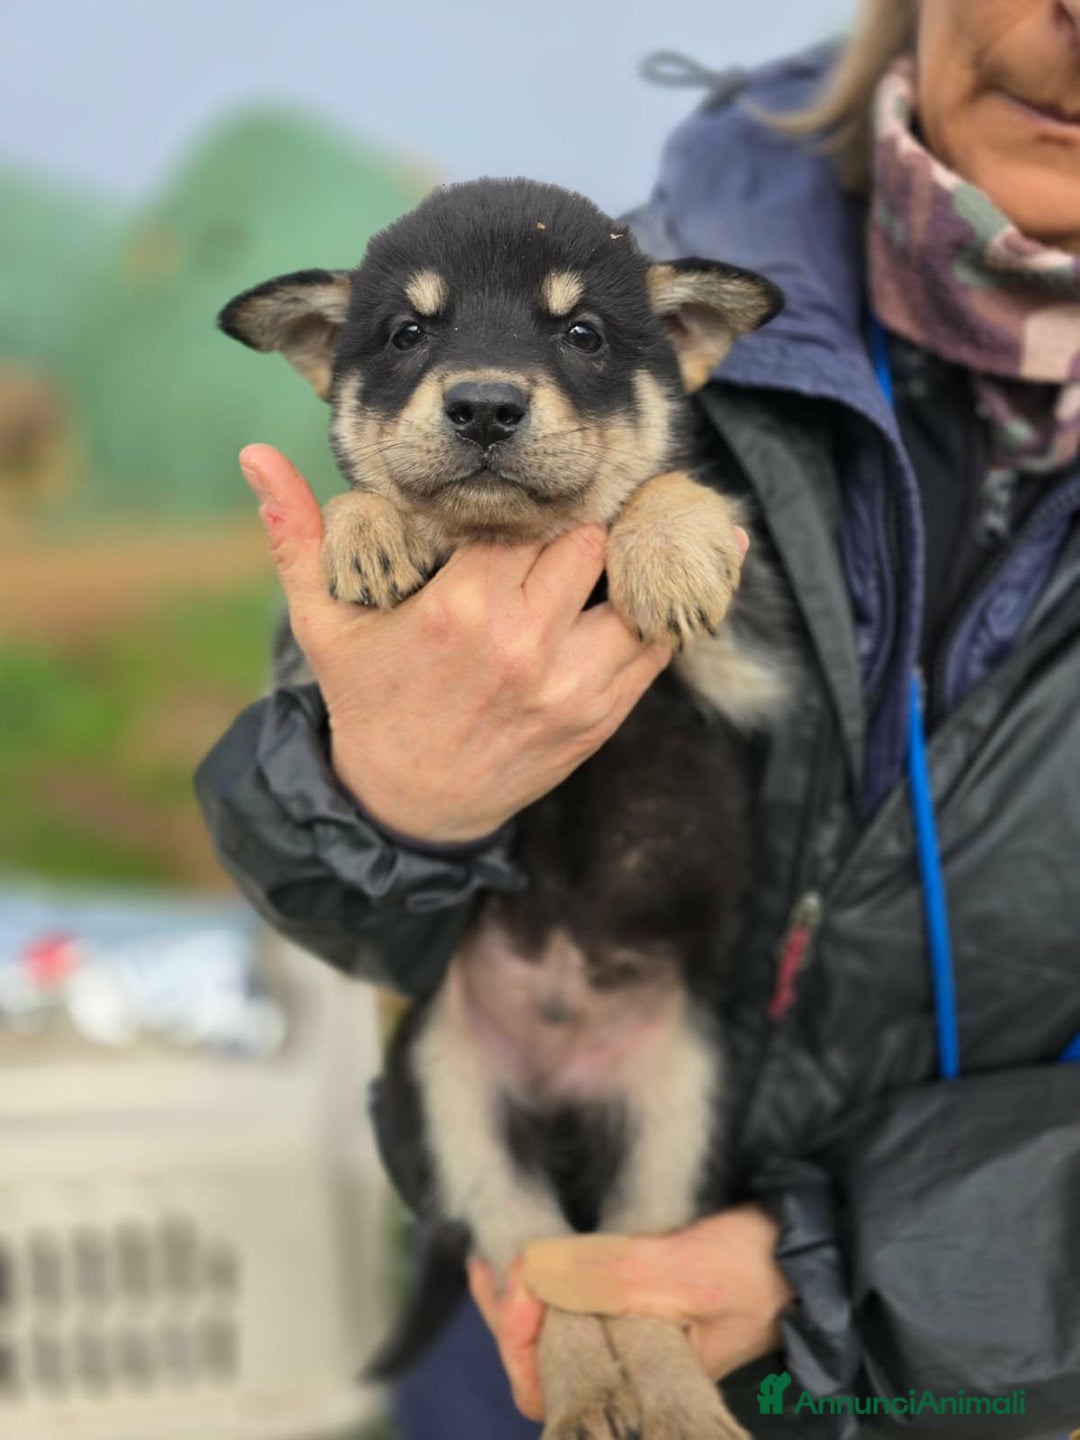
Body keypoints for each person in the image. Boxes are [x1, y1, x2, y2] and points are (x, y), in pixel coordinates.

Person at [195, 0, 1080, 1435]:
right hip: (501, 1297)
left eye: (575, 341)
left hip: (968, 1351)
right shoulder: (606, 275)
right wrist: (380, 799)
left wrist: (831, 1272)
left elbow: (721, 645)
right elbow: (311, 879)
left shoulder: (645, 346)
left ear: (681, 346)